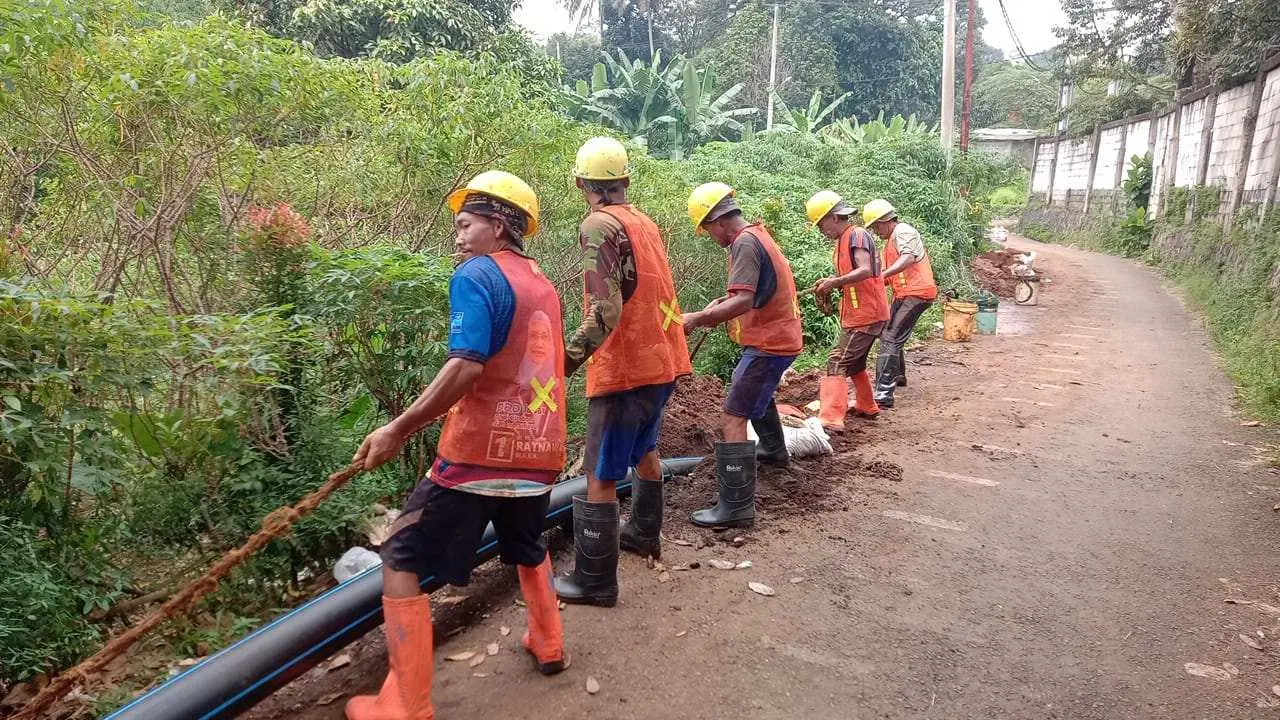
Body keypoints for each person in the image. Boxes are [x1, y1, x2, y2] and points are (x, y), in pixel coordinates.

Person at [347, 171, 568, 720]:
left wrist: (398, 428)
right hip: (539, 451)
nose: (458, 237)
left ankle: (407, 702)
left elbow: (467, 366)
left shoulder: (477, 274)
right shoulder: (542, 281)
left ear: (498, 224)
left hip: (478, 454)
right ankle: (549, 640)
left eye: (466, 225)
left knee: (399, 554)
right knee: (526, 541)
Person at [553, 137, 692, 607]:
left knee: (601, 474)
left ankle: (595, 581)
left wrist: (564, 361)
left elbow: (606, 309)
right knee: (645, 448)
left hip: (626, 368)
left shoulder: (598, 225)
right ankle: (644, 534)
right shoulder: (643, 222)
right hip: (663, 360)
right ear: (625, 181)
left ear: (580, 184)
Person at [681, 182, 802, 528]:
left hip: (770, 342)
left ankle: (735, 506)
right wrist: (719, 305)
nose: (710, 237)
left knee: (734, 413)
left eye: (707, 230)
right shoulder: (756, 235)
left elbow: (745, 301)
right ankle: (775, 451)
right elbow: (752, 291)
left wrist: (698, 318)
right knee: (758, 397)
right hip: (779, 337)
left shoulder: (743, 243)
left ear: (717, 221)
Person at [806, 190, 890, 430]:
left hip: (866, 313)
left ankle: (830, 418)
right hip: (860, 312)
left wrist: (834, 282)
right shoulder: (845, 240)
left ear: (834, 217)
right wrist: (833, 279)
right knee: (855, 363)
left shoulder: (857, 235)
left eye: (822, 224)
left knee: (837, 361)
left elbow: (864, 270)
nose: (822, 230)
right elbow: (852, 274)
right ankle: (866, 405)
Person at [863, 199, 937, 408]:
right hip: (905, 294)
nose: (876, 231)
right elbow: (888, 276)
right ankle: (898, 376)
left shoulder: (903, 231)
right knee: (888, 331)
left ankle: (883, 393)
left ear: (886, 220)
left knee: (891, 337)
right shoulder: (891, 241)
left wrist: (882, 274)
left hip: (917, 292)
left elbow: (908, 258)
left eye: (876, 226)